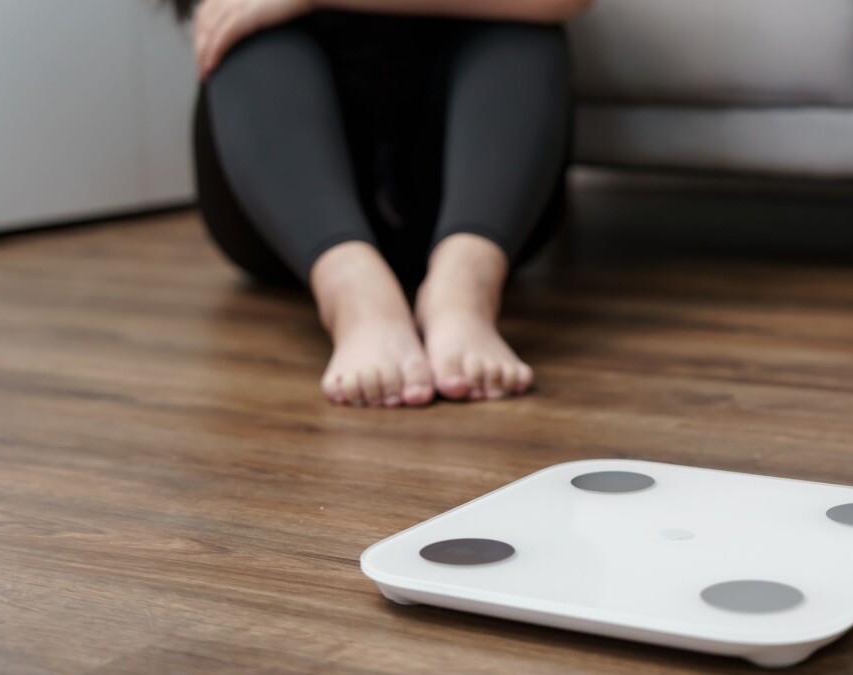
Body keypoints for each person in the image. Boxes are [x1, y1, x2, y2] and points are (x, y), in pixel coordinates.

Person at [171, 0, 590, 407]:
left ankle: (466, 287)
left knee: (521, 29)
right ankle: (353, 294)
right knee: (248, 25)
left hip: (482, 202)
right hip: (287, 217)